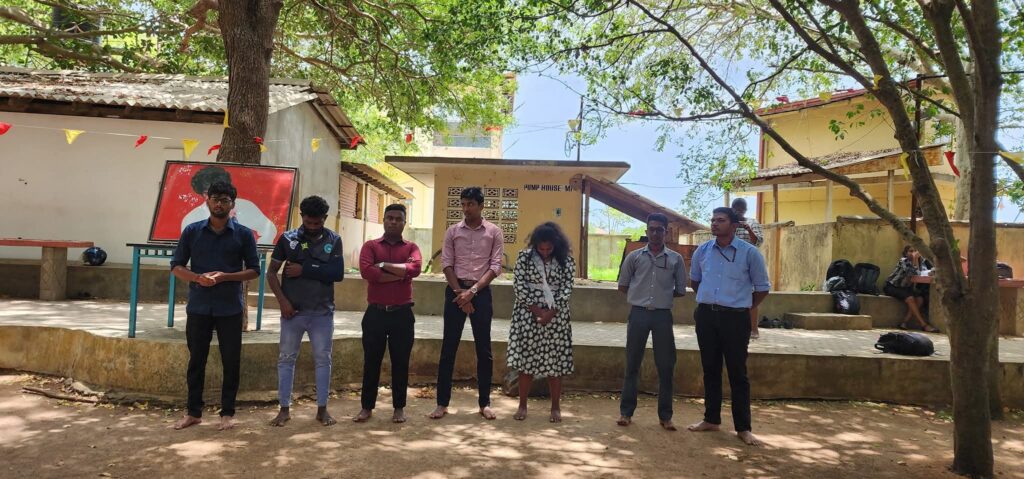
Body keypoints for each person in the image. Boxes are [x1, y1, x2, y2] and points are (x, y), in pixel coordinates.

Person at [170, 181, 260, 431]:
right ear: (207, 200)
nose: (219, 204)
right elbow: (176, 266)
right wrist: (197, 278)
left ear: (232, 204)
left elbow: (254, 270)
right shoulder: (192, 231)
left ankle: (227, 414)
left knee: (231, 361)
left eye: (225, 200)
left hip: (230, 308)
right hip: (199, 306)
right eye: (215, 199)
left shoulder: (244, 234)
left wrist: (225, 277)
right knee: (196, 361)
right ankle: (193, 413)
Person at [687, 207, 770, 446]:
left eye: (720, 220)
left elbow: (762, 288)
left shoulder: (750, 253)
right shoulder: (703, 250)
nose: (714, 224)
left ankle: (743, 428)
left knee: (737, 373)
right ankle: (711, 419)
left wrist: (743, 305)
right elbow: (695, 281)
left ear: (733, 225)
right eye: (712, 220)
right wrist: (712, 301)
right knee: (710, 369)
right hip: (706, 316)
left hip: (735, 319)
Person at [266, 195, 345, 427]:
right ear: (301, 216)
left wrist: (305, 269)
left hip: (322, 312)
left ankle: (322, 410)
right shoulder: (288, 239)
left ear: (325, 218)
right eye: (308, 222)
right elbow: (271, 273)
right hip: (293, 312)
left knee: (323, 359)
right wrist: (283, 302)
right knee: (286, 358)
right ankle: (284, 409)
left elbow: (337, 273)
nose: (312, 226)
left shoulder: (334, 240)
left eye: (317, 223)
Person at [430, 186, 504, 420]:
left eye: (470, 204)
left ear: (481, 206)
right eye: (463, 204)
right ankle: (442, 403)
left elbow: (495, 267)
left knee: (484, 349)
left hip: (480, 292)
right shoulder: (453, 231)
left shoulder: (494, 232)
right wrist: (460, 295)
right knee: (448, 348)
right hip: (455, 291)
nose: (466, 208)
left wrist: (471, 292)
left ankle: (484, 403)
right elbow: (446, 264)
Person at [616, 213, 687, 431]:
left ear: (667, 232)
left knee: (666, 365)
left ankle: (666, 416)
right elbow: (623, 285)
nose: (655, 233)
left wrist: (660, 298)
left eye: (659, 230)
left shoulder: (675, 259)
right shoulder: (634, 257)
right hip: (638, 314)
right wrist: (641, 296)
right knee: (632, 363)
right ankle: (626, 413)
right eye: (652, 229)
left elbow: (680, 290)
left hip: (662, 316)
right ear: (646, 231)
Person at [354, 204, 422, 423]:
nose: (393, 222)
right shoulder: (370, 246)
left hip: (402, 315)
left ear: (404, 222)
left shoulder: (412, 247)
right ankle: (366, 407)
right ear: (383, 220)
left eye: (398, 219)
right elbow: (368, 272)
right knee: (371, 362)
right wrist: (400, 274)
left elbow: (415, 269)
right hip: (375, 314)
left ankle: (399, 407)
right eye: (389, 218)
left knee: (401, 362)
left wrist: (383, 266)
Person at [507, 222, 576, 423]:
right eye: (541, 249)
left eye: (549, 249)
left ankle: (555, 407)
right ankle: (522, 405)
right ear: (535, 244)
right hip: (528, 314)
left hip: (556, 316)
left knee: (555, 363)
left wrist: (551, 313)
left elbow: (567, 288)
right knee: (526, 362)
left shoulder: (566, 260)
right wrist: (537, 311)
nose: (545, 252)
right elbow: (519, 286)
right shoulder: (524, 257)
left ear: (556, 245)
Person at [181, 165, 278, 243]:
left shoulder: (245, 207)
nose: (216, 199)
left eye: (219, 193)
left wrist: (255, 250)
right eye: (208, 193)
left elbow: (270, 230)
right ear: (202, 193)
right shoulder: (191, 219)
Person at [883, 245, 939, 332]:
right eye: (911, 251)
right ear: (906, 253)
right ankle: (924, 325)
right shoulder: (903, 261)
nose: (913, 253)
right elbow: (912, 273)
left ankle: (904, 322)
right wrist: (915, 260)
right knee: (910, 298)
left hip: (904, 288)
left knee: (920, 299)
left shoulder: (920, 262)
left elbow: (920, 273)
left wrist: (929, 272)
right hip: (892, 286)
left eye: (915, 251)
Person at [731, 198, 764, 339]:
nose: (738, 212)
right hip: (731, 262)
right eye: (735, 209)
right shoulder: (729, 222)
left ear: (745, 210)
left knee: (751, 296)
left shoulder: (752, 222)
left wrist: (748, 229)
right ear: (732, 209)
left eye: (741, 209)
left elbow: (758, 242)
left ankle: (754, 329)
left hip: (749, 263)